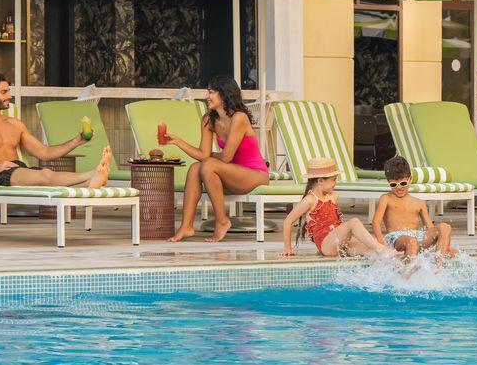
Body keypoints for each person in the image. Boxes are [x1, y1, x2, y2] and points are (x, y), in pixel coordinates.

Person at [0, 71, 111, 188]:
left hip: (20, 170)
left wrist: (77, 141)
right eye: (4, 92)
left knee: (47, 175)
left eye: (9, 91)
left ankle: (90, 182)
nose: (9, 96)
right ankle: (91, 174)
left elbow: (45, 153)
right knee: (46, 174)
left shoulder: (14, 124)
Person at [163, 76, 270, 243]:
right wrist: (178, 141)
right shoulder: (208, 119)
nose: (206, 96)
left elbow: (225, 157)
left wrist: (209, 157)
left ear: (224, 94)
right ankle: (186, 226)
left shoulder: (239, 118)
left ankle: (222, 221)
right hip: (229, 176)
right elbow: (203, 155)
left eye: (211, 92)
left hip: (254, 175)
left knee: (207, 164)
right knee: (195, 168)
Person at [278, 158, 400, 259]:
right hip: (326, 245)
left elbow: (334, 225)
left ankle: (395, 264)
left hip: (338, 242)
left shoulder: (333, 196)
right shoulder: (310, 200)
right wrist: (288, 249)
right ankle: (382, 248)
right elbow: (288, 222)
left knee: (370, 251)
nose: (336, 182)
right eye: (333, 179)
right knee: (354, 222)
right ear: (320, 181)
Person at [373, 156, 456, 263]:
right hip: (397, 238)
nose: (399, 188)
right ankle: (409, 271)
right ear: (388, 182)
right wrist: (383, 245)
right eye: (394, 184)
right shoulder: (386, 198)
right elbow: (376, 223)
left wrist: (442, 244)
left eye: (403, 183)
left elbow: (430, 228)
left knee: (445, 227)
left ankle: (438, 266)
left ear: (410, 179)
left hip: (418, 237)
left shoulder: (419, 202)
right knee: (412, 241)